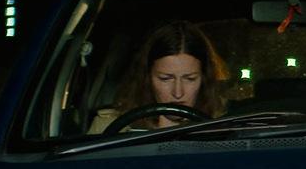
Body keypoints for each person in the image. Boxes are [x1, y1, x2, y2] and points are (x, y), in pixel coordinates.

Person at [90, 20, 227, 132]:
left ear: (204, 79)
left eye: (190, 79)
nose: (178, 93)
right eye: (165, 79)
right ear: (147, 78)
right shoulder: (110, 127)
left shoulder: (226, 125)